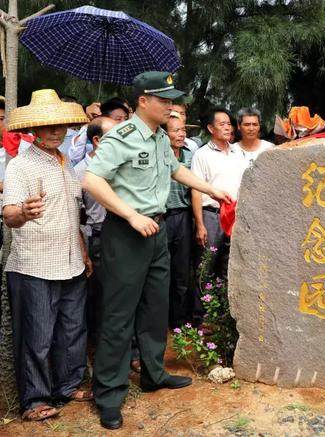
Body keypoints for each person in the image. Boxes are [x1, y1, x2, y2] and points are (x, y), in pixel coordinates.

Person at [83, 71, 232, 430]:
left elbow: (176, 171)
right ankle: (108, 393)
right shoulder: (122, 136)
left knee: (155, 308)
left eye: (172, 100)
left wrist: (211, 190)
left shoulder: (159, 138)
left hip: (157, 231)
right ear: (143, 101)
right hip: (127, 232)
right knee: (119, 316)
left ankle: (152, 373)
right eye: (164, 99)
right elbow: (91, 179)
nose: (170, 105)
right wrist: (131, 215)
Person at [2, 89, 93, 421]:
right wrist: (24, 212)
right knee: (36, 338)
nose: (56, 131)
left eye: (60, 125)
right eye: (48, 126)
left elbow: (72, 215)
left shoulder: (67, 163)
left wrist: (83, 254)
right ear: (35, 129)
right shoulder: (20, 166)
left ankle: (67, 387)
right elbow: (9, 213)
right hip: (34, 265)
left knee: (72, 330)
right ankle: (35, 400)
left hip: (70, 262)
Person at [74, 116, 117, 348]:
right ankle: (98, 349)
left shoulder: (120, 164)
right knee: (98, 297)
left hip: (122, 235)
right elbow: (77, 214)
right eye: (114, 135)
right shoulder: (81, 171)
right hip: (97, 236)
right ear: (97, 140)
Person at [191, 107, 247, 277]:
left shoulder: (238, 152)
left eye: (229, 124)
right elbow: (195, 190)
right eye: (222, 124)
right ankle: (201, 303)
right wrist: (200, 225)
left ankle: (225, 302)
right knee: (206, 264)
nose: (227, 128)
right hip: (212, 216)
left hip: (236, 214)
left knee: (231, 264)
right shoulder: (202, 155)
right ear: (210, 128)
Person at [164, 112, 197, 328]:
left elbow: (195, 188)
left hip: (183, 217)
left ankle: (178, 321)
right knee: (161, 271)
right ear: (164, 134)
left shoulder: (190, 155)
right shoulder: (159, 155)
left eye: (183, 130)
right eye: (176, 130)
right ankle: (160, 320)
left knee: (182, 272)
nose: (181, 134)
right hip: (162, 218)